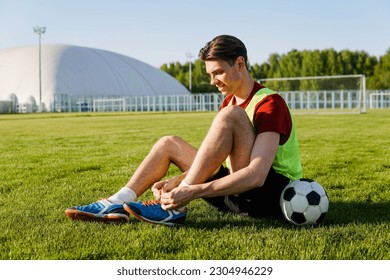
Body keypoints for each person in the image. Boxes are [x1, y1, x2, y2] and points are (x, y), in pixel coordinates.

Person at [65, 35, 303, 226]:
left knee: (230, 116)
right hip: (235, 189)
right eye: (210, 75)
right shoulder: (229, 102)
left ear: (240, 64)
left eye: (218, 72)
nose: (213, 81)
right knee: (168, 143)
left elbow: (257, 176)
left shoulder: (269, 103)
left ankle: (174, 208)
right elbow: (217, 163)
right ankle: (118, 202)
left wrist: (191, 191)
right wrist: (178, 183)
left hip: (266, 195)